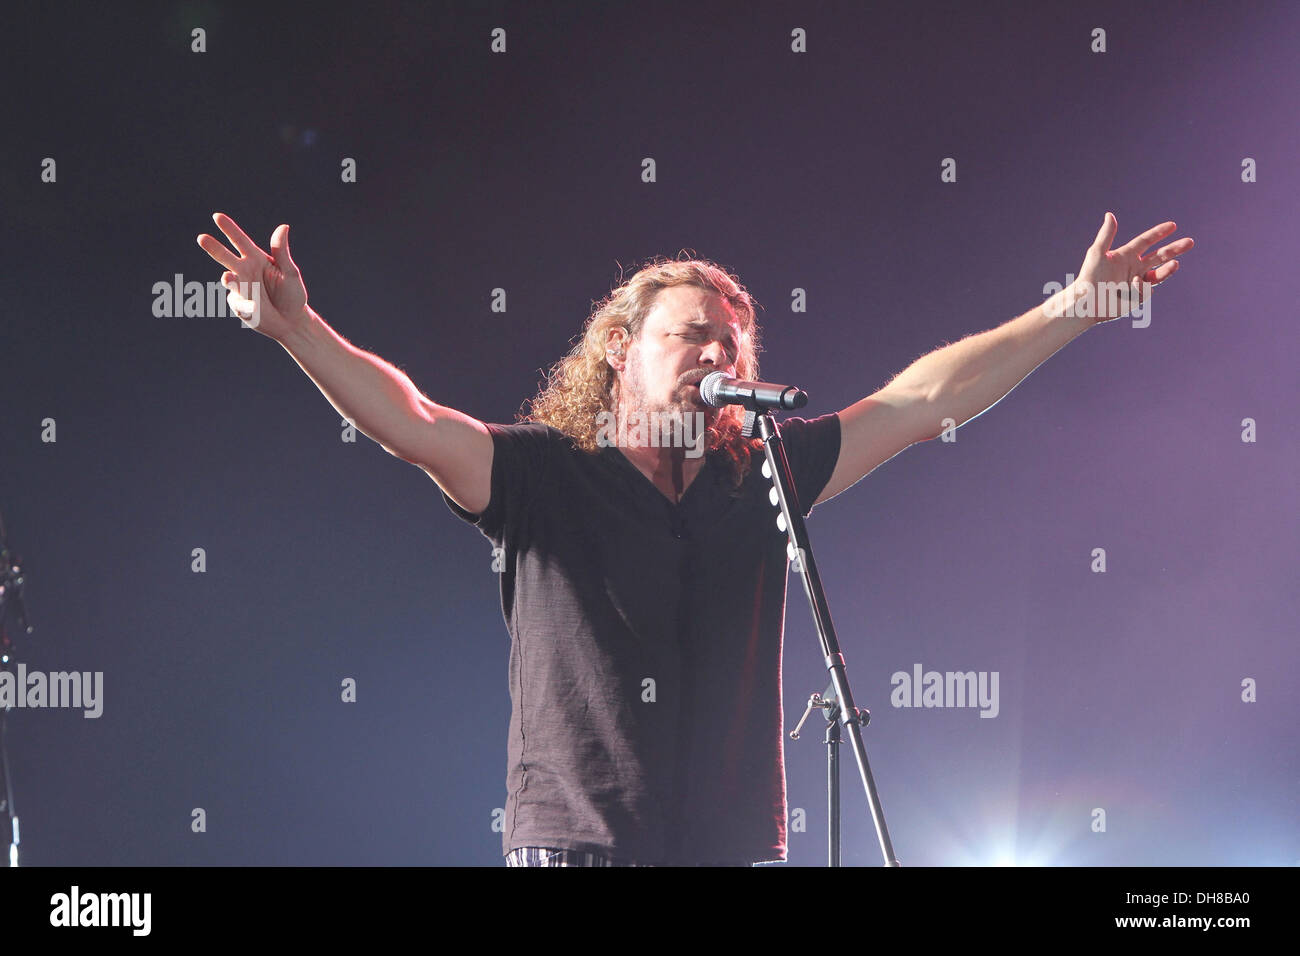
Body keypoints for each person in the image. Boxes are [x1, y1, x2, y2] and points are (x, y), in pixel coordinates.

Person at [197, 212, 1192, 866]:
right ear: (620, 349)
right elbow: (411, 421)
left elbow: (921, 401)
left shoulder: (761, 474)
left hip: (730, 846)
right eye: (690, 335)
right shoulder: (544, 474)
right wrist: (299, 331)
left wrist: (1075, 307)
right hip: (579, 845)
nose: (717, 351)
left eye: (731, 341)